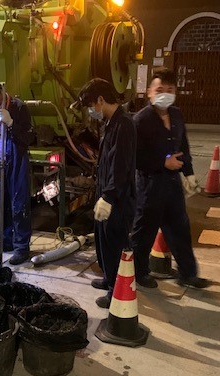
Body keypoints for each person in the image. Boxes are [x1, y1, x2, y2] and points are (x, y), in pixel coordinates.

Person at [131, 69, 209, 289]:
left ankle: (188, 274)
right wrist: (162, 162)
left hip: (173, 185)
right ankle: (139, 273)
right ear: (149, 92)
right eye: (159, 90)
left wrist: (189, 173)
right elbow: (134, 157)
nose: (164, 94)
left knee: (180, 229)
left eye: (170, 90)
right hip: (150, 185)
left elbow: (183, 146)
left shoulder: (176, 115)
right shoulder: (141, 120)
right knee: (144, 232)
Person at [78, 78, 137, 309]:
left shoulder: (124, 125)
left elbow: (120, 167)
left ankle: (116, 291)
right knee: (103, 241)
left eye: (91, 105)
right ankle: (108, 278)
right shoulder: (111, 123)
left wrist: (109, 197)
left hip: (117, 200)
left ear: (101, 100)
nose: (91, 111)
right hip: (106, 194)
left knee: (115, 245)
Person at [0, 77, 35, 265]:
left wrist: (12, 124)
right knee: (0, 204)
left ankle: (21, 247)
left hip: (16, 161)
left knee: (19, 204)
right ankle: (5, 241)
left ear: (1, 92)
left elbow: (30, 137)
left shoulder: (19, 108)